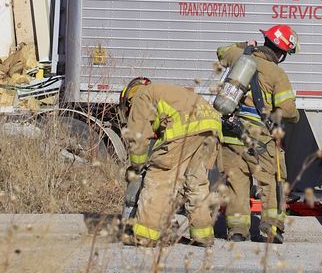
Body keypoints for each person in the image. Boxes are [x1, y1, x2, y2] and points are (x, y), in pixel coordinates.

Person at [216, 24, 300, 243]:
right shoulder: (276, 72)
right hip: (259, 138)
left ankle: (237, 231)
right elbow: (289, 111)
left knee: (236, 181)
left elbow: (221, 51)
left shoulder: (239, 57)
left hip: (230, 133)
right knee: (270, 182)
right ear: (280, 53)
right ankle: (269, 229)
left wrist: (245, 45)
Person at [118, 76, 222, 247]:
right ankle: (203, 235)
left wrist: (137, 166)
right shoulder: (163, 92)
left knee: (158, 179)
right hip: (211, 125)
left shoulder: (140, 97)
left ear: (128, 99)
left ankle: (146, 235)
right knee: (195, 183)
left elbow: (137, 138)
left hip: (186, 128)